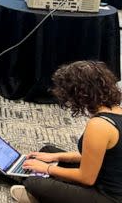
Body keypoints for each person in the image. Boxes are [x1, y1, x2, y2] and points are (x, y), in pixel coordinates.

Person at [10, 61, 122, 203]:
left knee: (34, 183)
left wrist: (48, 169)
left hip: (107, 196)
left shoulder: (99, 125)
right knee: (48, 151)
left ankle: (34, 186)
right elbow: (96, 157)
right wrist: (57, 157)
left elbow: (86, 178)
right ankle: (30, 174)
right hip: (102, 178)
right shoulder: (117, 111)